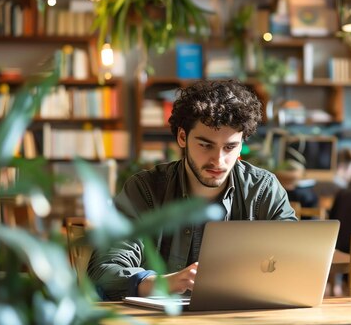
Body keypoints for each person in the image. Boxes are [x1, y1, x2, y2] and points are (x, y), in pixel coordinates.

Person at [88, 80, 297, 301]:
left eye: (230, 147)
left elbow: (297, 261)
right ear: (182, 137)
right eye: (205, 145)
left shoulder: (263, 189)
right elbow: (104, 270)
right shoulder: (145, 190)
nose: (218, 160)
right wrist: (165, 283)